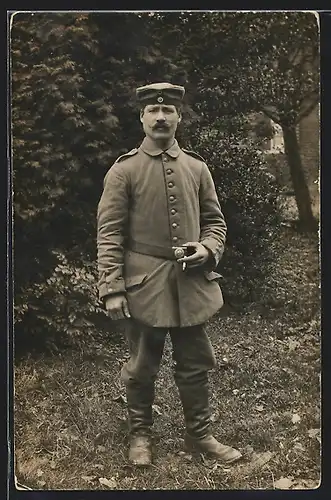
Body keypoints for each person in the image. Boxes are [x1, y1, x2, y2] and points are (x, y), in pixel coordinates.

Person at [97, 82, 242, 466]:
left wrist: (207, 248)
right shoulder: (124, 170)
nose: (161, 118)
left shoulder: (197, 167)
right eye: (153, 112)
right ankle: (140, 437)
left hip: (191, 284)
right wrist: (112, 287)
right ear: (142, 118)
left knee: (195, 363)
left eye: (169, 111)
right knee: (142, 365)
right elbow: (109, 233)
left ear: (179, 117)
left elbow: (216, 223)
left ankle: (200, 435)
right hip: (144, 285)